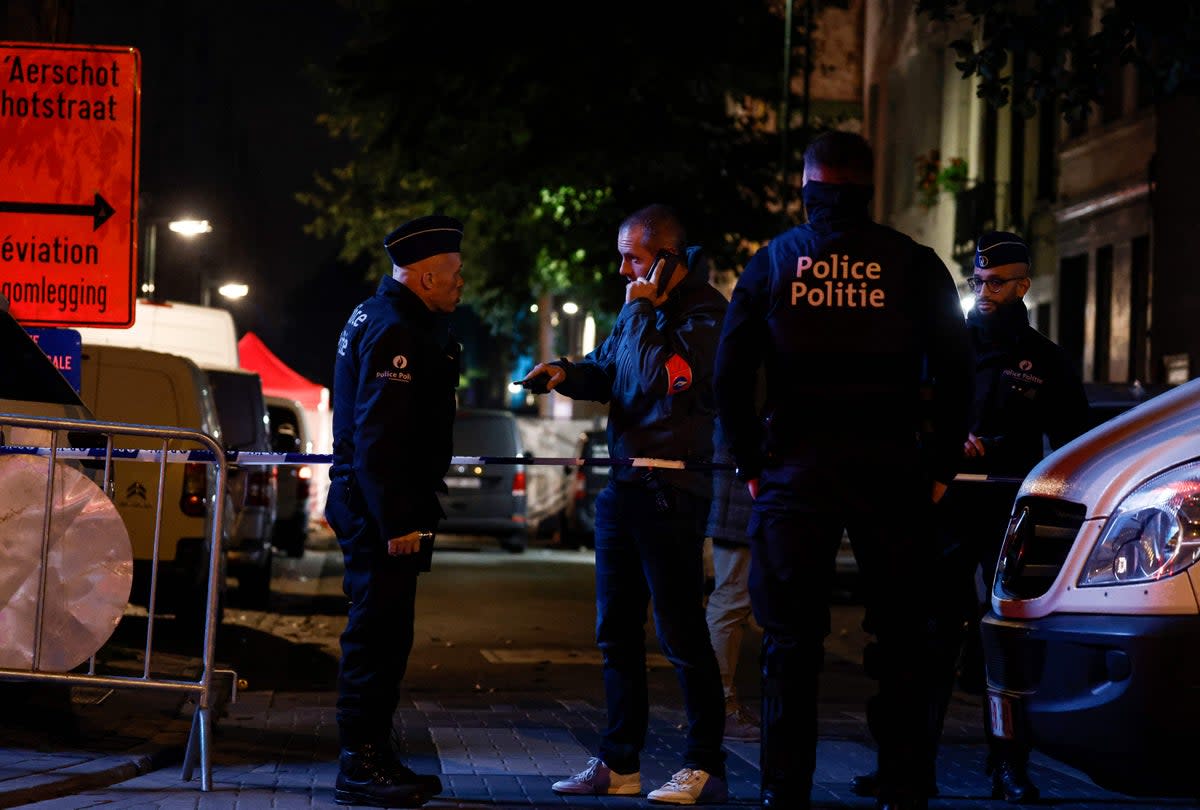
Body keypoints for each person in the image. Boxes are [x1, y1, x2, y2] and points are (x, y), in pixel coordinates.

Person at [714, 130, 973, 810]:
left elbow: (731, 373)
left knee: (790, 642)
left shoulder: (775, 263)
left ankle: (785, 788)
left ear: (808, 193)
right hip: (891, 471)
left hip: (796, 472)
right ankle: (905, 782)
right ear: (867, 189)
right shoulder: (914, 265)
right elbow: (956, 369)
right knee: (903, 640)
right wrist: (941, 463)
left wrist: (749, 461)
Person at [852, 230, 1088, 805]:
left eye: (996, 282)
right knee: (928, 638)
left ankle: (1009, 765)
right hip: (945, 511)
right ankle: (910, 767)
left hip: (1010, 517)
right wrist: (945, 439)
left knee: (1006, 641)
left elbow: (1073, 445)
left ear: (1023, 285)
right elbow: (903, 418)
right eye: (978, 281)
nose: (984, 291)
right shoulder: (940, 350)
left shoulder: (1046, 361)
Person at [519, 204, 730, 805]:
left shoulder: (708, 316)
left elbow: (658, 382)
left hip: (671, 491)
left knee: (683, 633)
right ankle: (619, 762)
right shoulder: (640, 309)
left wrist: (641, 310)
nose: (622, 270)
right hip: (625, 487)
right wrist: (564, 373)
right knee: (615, 633)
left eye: (633, 257)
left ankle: (706, 767)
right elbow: (613, 373)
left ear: (669, 258)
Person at [324, 214, 465, 809]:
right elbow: (379, 437)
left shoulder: (378, 314)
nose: (463, 282)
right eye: (455, 274)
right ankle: (360, 765)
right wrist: (398, 519)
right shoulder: (397, 329)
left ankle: (376, 756)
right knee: (376, 639)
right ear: (427, 276)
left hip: (375, 503)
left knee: (385, 635)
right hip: (381, 510)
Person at [701, 250, 763, 743]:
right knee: (733, 595)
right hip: (747, 478)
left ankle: (719, 702)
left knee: (733, 596)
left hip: (739, 476)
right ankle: (719, 704)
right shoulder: (747, 336)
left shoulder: (732, 330)